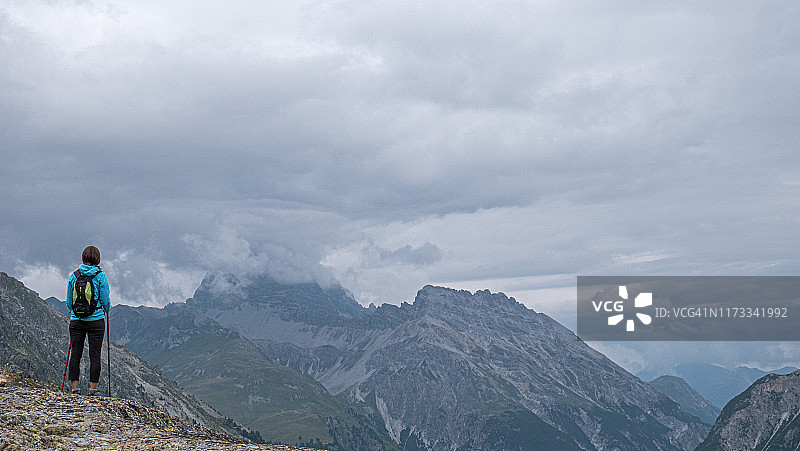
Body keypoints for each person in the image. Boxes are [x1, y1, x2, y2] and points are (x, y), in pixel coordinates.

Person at [66, 245, 111, 395]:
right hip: (96, 321)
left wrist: (76, 312)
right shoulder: (100, 276)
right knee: (95, 355)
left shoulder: (74, 276)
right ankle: (93, 390)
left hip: (77, 320)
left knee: (75, 353)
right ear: (98, 259)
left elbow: (68, 302)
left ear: (83, 258)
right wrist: (107, 308)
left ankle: (75, 389)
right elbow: (105, 300)